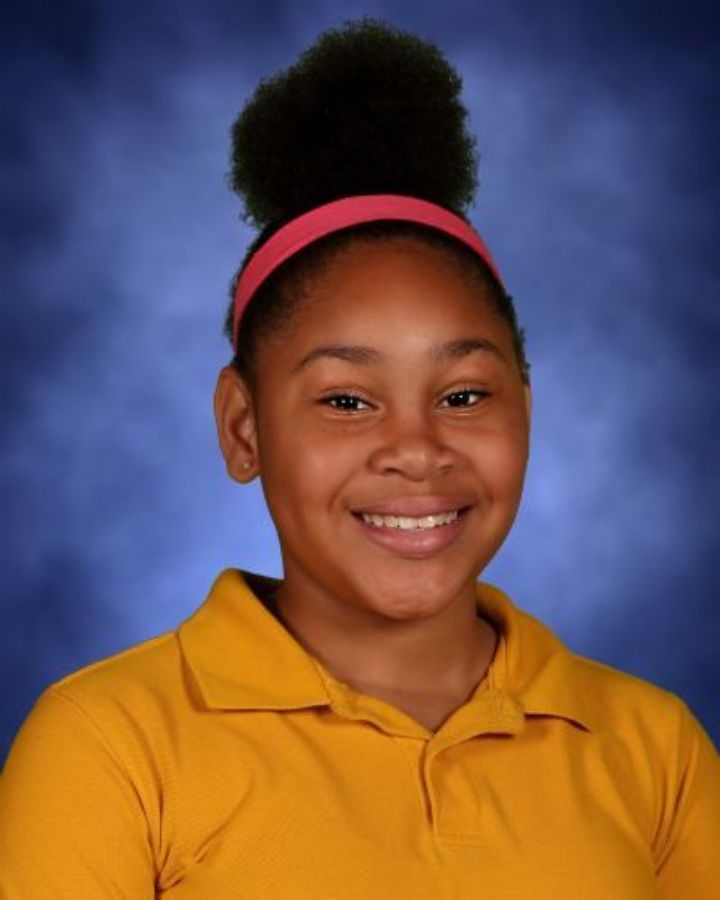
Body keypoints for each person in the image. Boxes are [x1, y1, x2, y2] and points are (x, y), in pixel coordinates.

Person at [1, 18, 718, 899]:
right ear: (243, 429)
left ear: (526, 414)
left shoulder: (654, 749)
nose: (417, 450)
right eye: (346, 401)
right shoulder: (110, 745)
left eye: (465, 396)